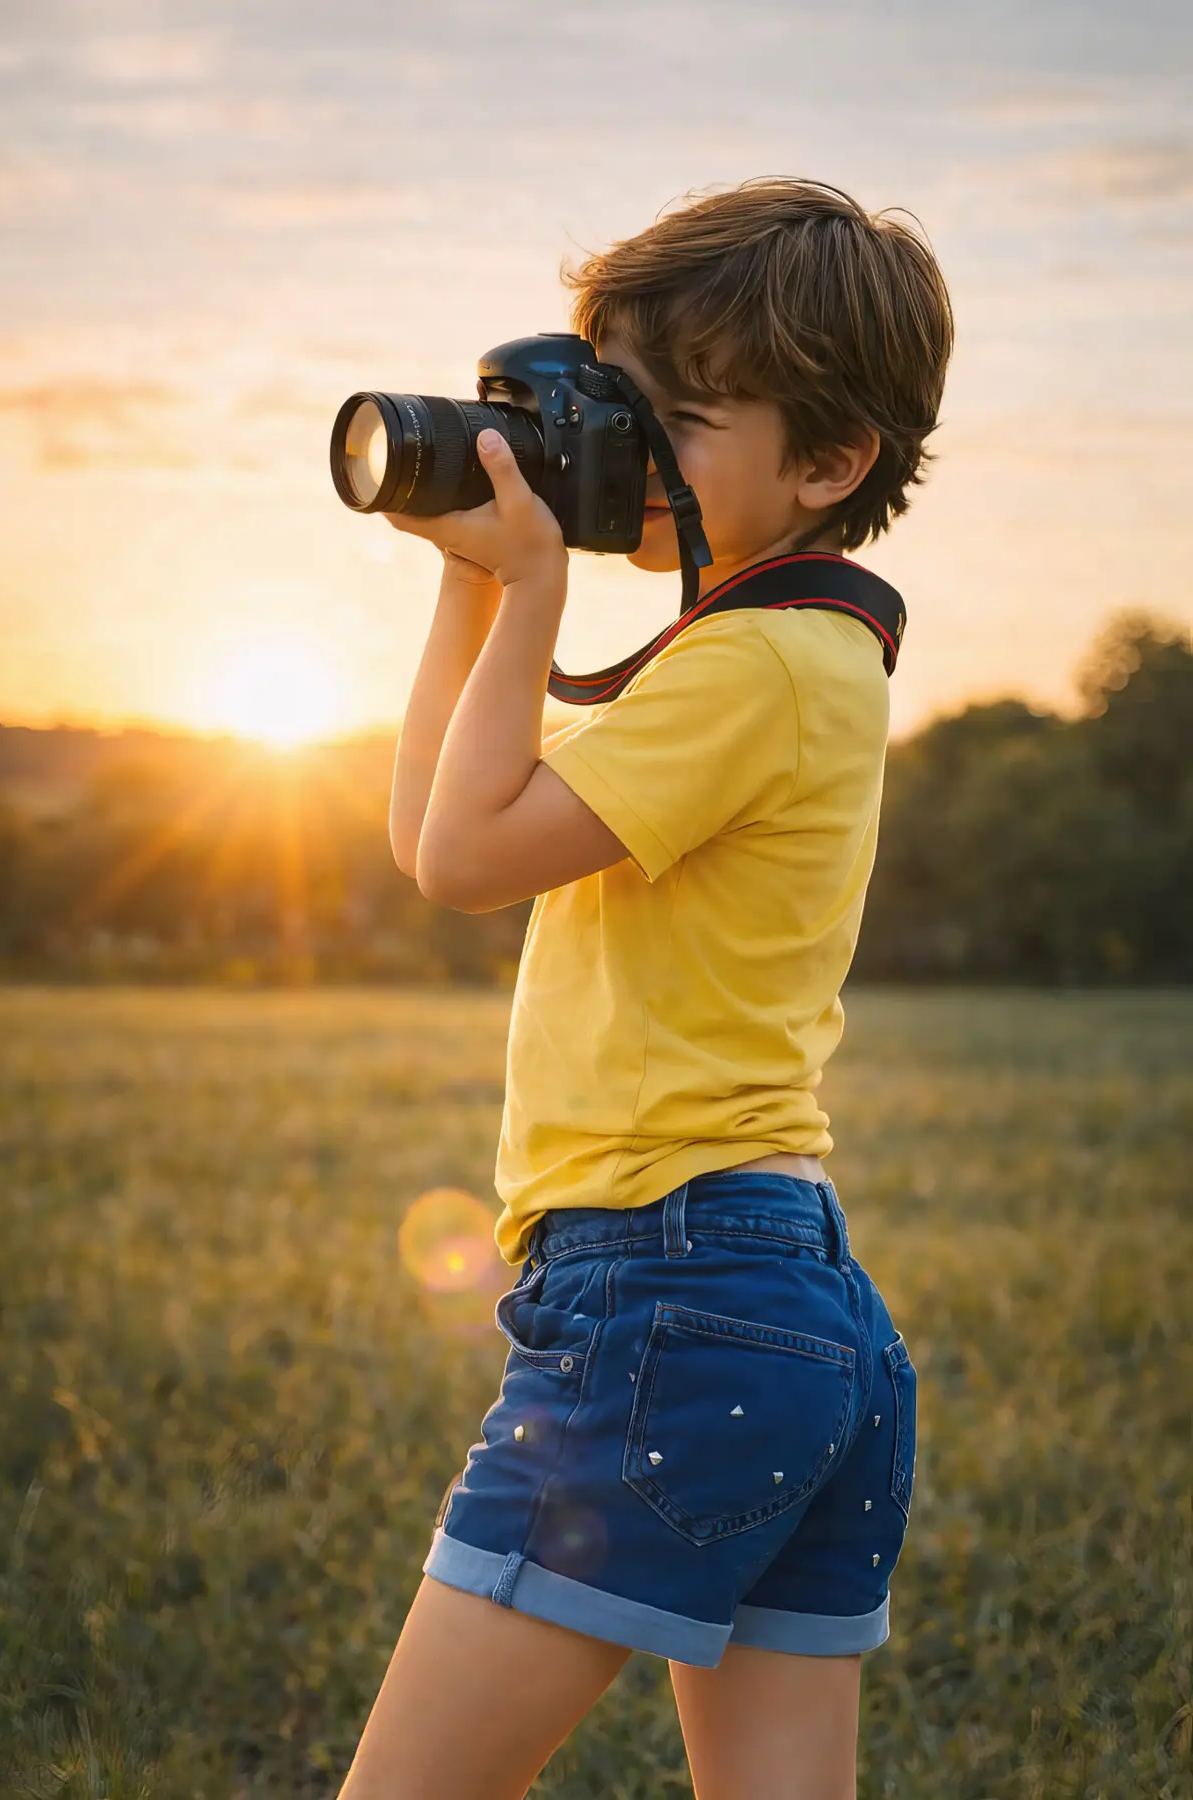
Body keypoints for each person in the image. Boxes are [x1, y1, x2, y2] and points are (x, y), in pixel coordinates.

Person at [338, 177, 953, 1800]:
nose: (619, 449)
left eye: (669, 420)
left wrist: (531, 592)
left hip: (667, 1295)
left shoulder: (753, 665)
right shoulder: (774, 658)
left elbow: (465, 859)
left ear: (828, 464)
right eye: (609, 401)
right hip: (786, 1305)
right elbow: (432, 832)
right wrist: (469, 578)